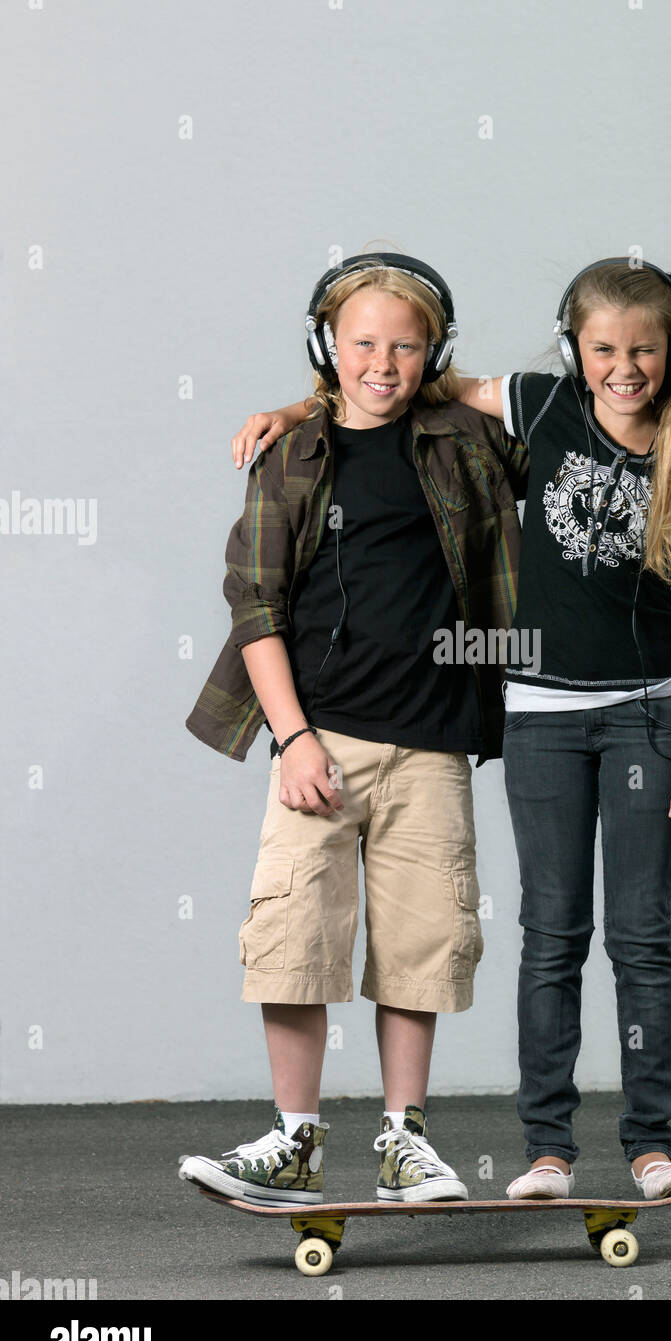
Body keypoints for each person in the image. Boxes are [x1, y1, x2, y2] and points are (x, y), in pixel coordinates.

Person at [226, 256, 671, 1204]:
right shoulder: (324, 453)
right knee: (375, 934)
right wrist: (298, 408)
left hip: (558, 718)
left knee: (559, 939)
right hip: (439, 722)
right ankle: (469, 1147)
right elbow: (260, 594)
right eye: (602, 349)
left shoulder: (530, 441)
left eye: (642, 351)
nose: (622, 367)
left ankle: (594, 1143)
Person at [178, 254, 529, 1206]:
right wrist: (291, 740)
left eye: (407, 345)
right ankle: (294, 1137)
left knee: (420, 942)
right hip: (319, 742)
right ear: (325, 345)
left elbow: (583, 426)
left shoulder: (466, 439)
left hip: (430, 741)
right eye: (363, 342)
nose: (383, 361)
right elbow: (253, 601)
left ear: (436, 352)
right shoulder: (290, 456)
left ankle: (403, 1139)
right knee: (294, 934)